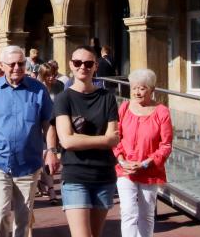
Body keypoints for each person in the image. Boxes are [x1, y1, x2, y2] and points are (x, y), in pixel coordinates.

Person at [0, 45, 54, 237]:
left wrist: (51, 150)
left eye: (21, 63)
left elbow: (48, 123)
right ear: (2, 65)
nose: (17, 67)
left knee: (23, 215)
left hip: (29, 162)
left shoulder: (38, 90)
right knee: (0, 211)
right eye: (12, 64)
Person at [54, 45, 119, 237]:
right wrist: (103, 140)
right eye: (78, 62)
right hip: (75, 174)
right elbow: (67, 141)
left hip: (104, 175)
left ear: (96, 66)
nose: (83, 67)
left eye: (88, 63)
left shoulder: (107, 97)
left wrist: (81, 138)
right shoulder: (63, 98)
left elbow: (113, 138)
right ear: (71, 65)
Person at [114, 69, 173, 237]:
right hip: (126, 169)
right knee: (128, 212)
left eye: (142, 88)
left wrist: (145, 163)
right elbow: (116, 138)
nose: (137, 92)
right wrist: (122, 161)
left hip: (150, 170)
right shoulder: (124, 108)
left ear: (151, 90)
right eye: (134, 88)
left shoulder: (162, 111)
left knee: (146, 213)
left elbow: (166, 145)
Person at [37, 63, 64, 204]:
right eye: (48, 75)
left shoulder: (59, 86)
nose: (51, 77)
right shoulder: (37, 87)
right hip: (40, 126)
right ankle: (52, 190)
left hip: (56, 125)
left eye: (53, 73)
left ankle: (44, 183)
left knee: (51, 155)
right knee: (44, 155)